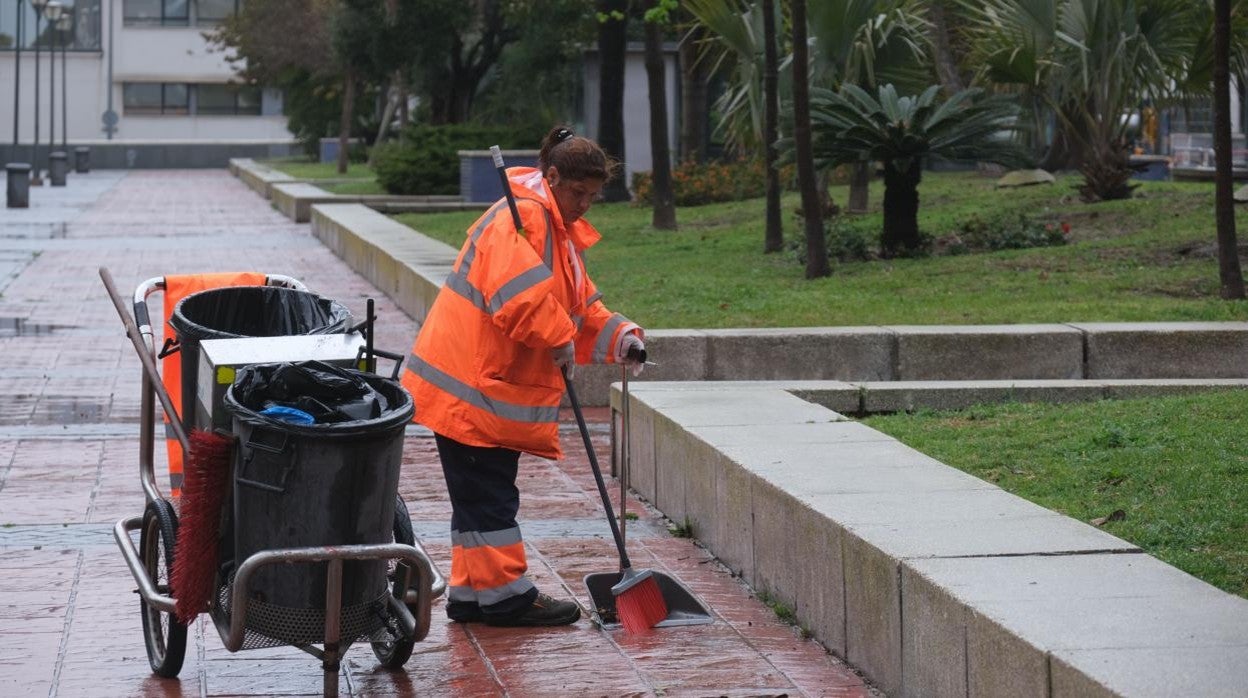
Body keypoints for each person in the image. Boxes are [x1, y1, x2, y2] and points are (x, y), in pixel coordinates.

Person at [400, 126, 646, 627]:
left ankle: (473, 596)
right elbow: (520, 301)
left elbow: (574, 307)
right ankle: (508, 598)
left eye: (594, 197)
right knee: (489, 497)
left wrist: (620, 336)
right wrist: (559, 336)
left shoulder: (551, 225)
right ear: (551, 176)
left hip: (481, 387)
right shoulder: (525, 218)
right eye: (578, 193)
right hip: (473, 389)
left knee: (478, 498)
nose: (585, 205)